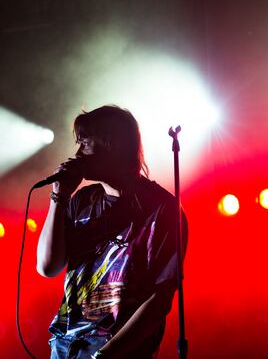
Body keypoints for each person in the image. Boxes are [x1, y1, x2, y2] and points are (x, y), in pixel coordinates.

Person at [36, 105, 188, 359]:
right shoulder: (82, 201)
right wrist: (59, 197)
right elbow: (47, 266)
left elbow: (159, 299)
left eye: (85, 143)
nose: (78, 153)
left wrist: (108, 354)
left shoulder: (162, 209)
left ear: (112, 144)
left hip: (119, 352)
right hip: (66, 348)